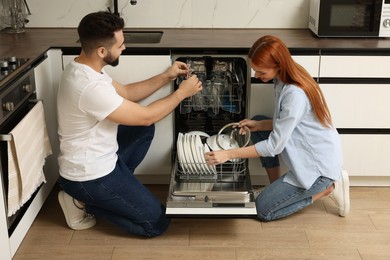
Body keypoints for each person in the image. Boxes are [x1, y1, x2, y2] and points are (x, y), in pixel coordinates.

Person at [56, 11, 202, 236]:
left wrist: (167, 75)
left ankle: (116, 189)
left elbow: (127, 93)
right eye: (120, 45)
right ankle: (82, 201)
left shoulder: (85, 67)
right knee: (157, 223)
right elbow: (146, 115)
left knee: (141, 131)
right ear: (102, 51)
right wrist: (182, 93)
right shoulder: (89, 87)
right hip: (89, 175)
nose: (124, 48)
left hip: (101, 158)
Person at [204, 35, 350, 221]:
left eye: (261, 72)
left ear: (279, 66)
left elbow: (274, 147)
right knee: (258, 124)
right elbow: (290, 122)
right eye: (255, 71)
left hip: (319, 170)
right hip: (312, 153)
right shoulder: (285, 77)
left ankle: (329, 189)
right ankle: (276, 188)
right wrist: (258, 125)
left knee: (263, 210)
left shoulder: (294, 94)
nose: (257, 76)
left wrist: (229, 154)